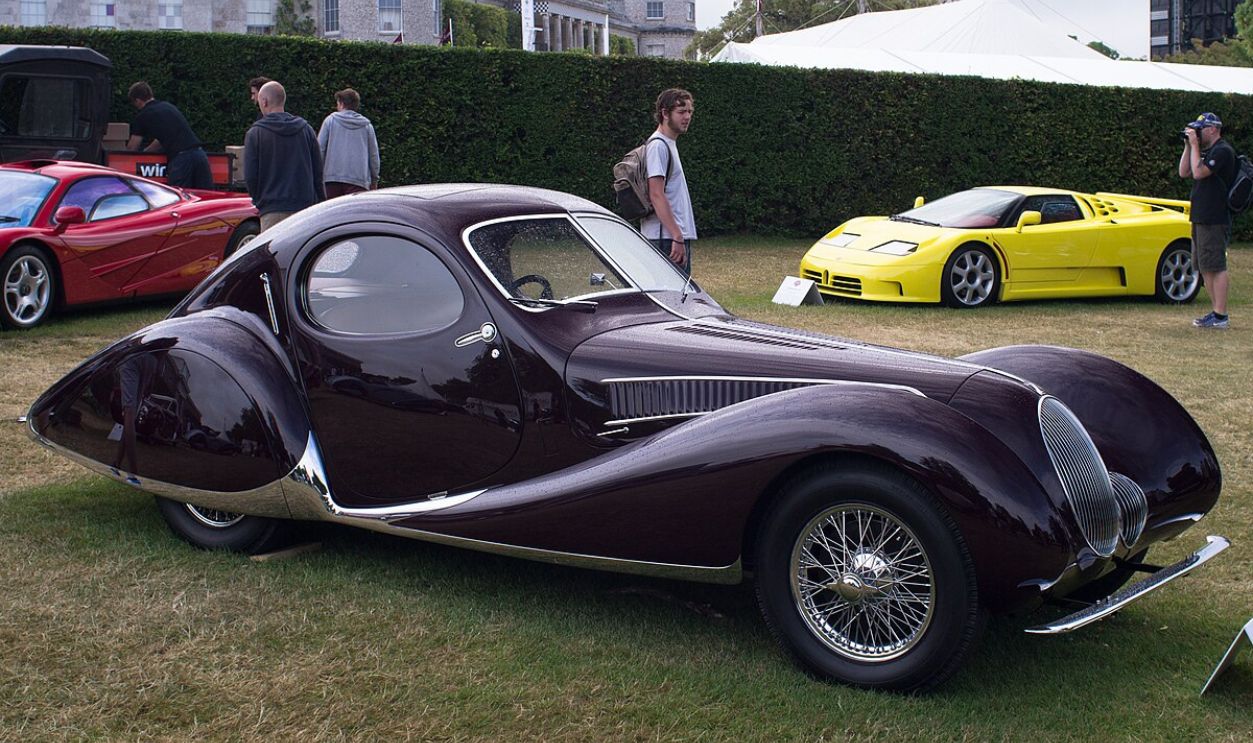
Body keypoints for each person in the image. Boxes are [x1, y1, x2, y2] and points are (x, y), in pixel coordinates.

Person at [1179, 111, 1235, 329]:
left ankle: (1221, 315)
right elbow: (1185, 172)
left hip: (1215, 216)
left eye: (1201, 130)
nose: (1198, 134)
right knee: (1204, 266)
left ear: (1213, 129)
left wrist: (1195, 147)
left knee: (1216, 265)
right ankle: (1215, 312)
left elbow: (1200, 173)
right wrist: (1188, 145)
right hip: (1201, 216)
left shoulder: (1222, 151)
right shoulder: (1206, 150)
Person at [244, 81, 325, 231]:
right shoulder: (306, 130)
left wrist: (260, 201)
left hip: (271, 208)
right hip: (304, 208)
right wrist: (320, 201)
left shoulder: (255, 134)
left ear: (264, 101)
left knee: (272, 253)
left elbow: (250, 176)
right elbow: (317, 172)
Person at [640, 88, 696, 276]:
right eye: (681, 112)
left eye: (689, 111)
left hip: (670, 237)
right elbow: (656, 194)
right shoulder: (658, 145)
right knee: (674, 299)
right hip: (665, 238)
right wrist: (677, 235)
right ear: (665, 113)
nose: (687, 117)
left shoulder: (668, 144)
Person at [125, 82, 213, 189]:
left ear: (137, 100)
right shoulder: (168, 107)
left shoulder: (143, 115)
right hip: (199, 154)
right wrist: (148, 151)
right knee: (205, 196)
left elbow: (132, 147)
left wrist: (139, 156)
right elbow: (163, 138)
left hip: (181, 160)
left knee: (180, 198)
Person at [317, 88, 381, 198]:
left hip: (332, 179)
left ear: (341, 104)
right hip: (358, 181)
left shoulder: (330, 121)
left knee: (332, 213)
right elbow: (373, 155)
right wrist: (374, 180)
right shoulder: (366, 126)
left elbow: (319, 149)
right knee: (354, 214)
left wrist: (317, 174)